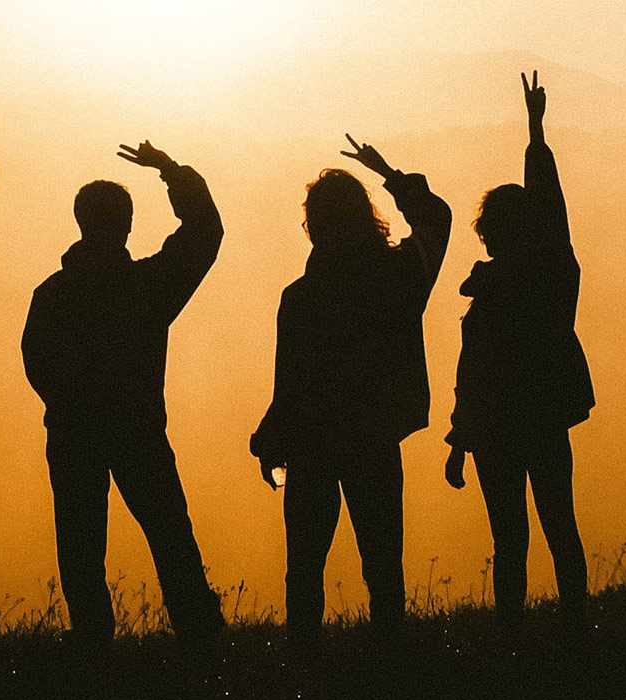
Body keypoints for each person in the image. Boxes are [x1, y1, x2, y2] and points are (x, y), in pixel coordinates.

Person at [21, 141, 227, 652]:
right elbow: (206, 231)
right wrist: (170, 171)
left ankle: (92, 637)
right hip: (138, 428)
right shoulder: (147, 286)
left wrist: (67, 403)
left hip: (72, 429)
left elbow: (35, 362)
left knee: (79, 539)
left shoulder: (52, 293)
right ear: (128, 224)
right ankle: (199, 630)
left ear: (80, 222)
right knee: (169, 531)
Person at [250, 135, 452, 642]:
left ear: (314, 227)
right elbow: (437, 219)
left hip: (311, 445)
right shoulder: (400, 275)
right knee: (383, 564)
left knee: (304, 570)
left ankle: (303, 667)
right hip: (375, 437)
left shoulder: (299, 297)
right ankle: (389, 670)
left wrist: (270, 441)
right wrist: (389, 173)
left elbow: (290, 384)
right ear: (366, 216)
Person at [444, 71, 596, 636]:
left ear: (488, 233)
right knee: (559, 525)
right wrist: (534, 134)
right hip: (541, 420)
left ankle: (514, 639)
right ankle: (573, 631)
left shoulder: (500, 290)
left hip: (494, 431)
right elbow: (552, 211)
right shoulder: (553, 277)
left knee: (510, 537)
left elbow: (473, 376)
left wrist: (461, 440)